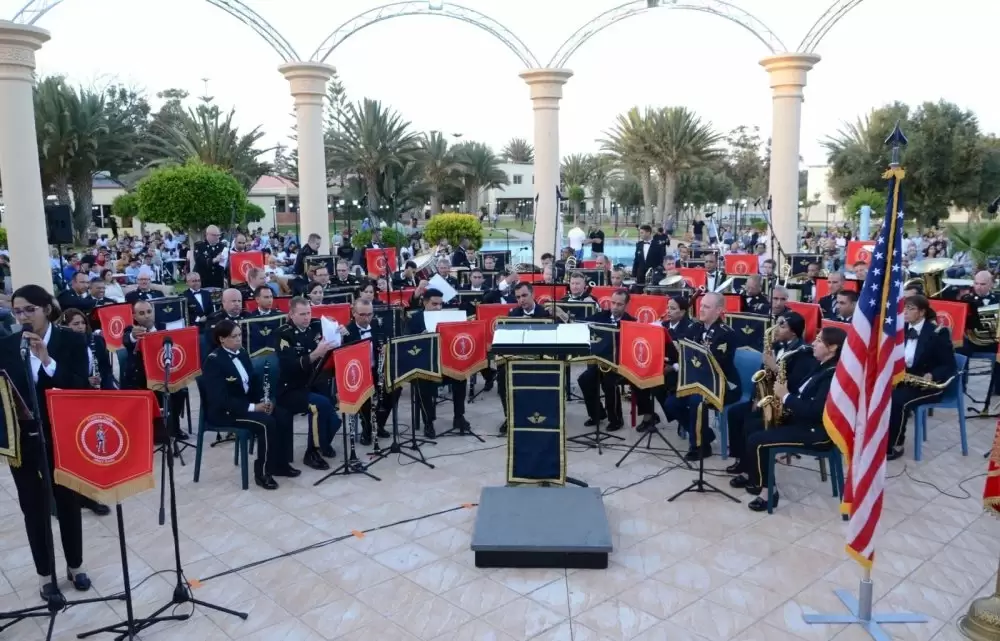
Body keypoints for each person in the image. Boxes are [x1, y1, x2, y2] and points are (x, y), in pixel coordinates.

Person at [2, 285, 92, 601]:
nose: (24, 317)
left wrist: (48, 361)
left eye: (30, 309)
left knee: (67, 500)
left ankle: (76, 565)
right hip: (23, 439)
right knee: (33, 508)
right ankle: (45, 575)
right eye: (17, 311)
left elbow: (82, 388)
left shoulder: (71, 340)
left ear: (47, 308)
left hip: (63, 436)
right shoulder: (7, 345)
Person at [728, 326, 847, 512]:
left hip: (817, 431)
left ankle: (768, 493)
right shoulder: (820, 365)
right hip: (801, 419)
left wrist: (785, 397)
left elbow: (814, 411)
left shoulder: (833, 374)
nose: (812, 343)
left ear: (832, 348)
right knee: (752, 424)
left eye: (818, 341)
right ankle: (753, 476)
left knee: (758, 440)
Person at [202, 320, 298, 489]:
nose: (239, 339)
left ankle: (279, 463)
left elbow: (253, 381)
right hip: (226, 413)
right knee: (266, 423)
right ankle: (262, 472)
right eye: (234, 336)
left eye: (240, 335)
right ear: (222, 339)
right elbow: (220, 398)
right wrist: (254, 408)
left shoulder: (242, 353)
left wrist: (264, 400)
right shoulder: (214, 361)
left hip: (245, 405)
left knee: (283, 415)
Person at [663, 293, 741, 461]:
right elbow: (683, 351)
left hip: (722, 383)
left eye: (707, 306)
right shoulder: (695, 327)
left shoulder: (726, 334)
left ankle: (700, 446)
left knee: (696, 400)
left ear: (719, 310)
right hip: (697, 380)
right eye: (701, 305)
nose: (701, 309)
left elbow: (716, 364)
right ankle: (705, 434)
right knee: (671, 403)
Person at [887, 295, 958, 461]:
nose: (905, 311)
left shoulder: (937, 333)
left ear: (922, 312)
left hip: (929, 384)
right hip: (904, 379)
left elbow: (949, 364)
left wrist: (932, 374)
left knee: (898, 401)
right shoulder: (900, 329)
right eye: (904, 307)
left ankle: (896, 444)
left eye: (910, 308)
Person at [60, 308, 115, 517]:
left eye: (82, 323)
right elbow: (62, 376)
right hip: (73, 400)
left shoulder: (96, 342)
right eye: (75, 324)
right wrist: (85, 381)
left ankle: (94, 488)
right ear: (65, 326)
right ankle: (84, 495)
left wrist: (104, 384)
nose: (80, 327)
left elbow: (107, 370)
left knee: (95, 444)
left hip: (97, 396)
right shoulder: (61, 346)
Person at [276, 298, 342, 470]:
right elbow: (289, 365)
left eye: (309, 313)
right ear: (291, 314)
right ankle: (311, 453)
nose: (307, 317)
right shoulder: (283, 334)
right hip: (291, 388)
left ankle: (322, 444)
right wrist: (315, 354)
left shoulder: (316, 326)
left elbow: (333, 343)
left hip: (314, 382)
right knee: (320, 406)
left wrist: (340, 333)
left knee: (335, 420)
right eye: (302, 314)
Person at [408, 289, 471, 438]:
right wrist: (421, 337)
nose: (438, 307)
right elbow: (408, 344)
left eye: (440, 304)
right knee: (423, 383)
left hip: (445, 362)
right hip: (424, 365)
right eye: (434, 304)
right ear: (424, 302)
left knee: (461, 376)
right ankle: (428, 422)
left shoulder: (448, 317)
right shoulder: (415, 319)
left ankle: (458, 416)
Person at [344, 299, 400, 445]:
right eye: (362, 314)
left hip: (376, 369)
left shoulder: (377, 326)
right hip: (358, 374)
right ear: (353, 313)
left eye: (369, 314)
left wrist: (385, 350)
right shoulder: (347, 331)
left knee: (395, 388)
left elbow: (388, 344)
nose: (366, 318)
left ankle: (379, 424)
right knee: (365, 395)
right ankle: (367, 429)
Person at [578, 289, 635, 432]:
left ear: (626, 305)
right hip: (599, 361)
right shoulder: (601, 316)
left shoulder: (631, 322)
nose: (615, 307)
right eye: (613, 303)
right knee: (585, 379)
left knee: (609, 382)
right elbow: (582, 324)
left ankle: (616, 419)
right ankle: (597, 414)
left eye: (619, 304)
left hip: (619, 364)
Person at [193, 225, 227, 289]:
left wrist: (225, 277)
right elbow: (199, 261)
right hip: (204, 280)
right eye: (214, 235)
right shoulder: (199, 246)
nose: (217, 237)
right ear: (207, 235)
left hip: (218, 281)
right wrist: (214, 260)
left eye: (218, 235)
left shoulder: (222, 246)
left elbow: (225, 263)